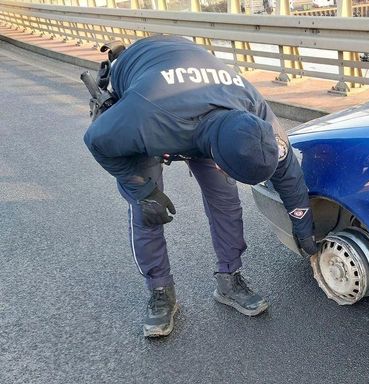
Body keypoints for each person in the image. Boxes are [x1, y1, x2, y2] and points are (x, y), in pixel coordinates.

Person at [84, 35, 317, 338]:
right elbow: (96, 141)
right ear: (219, 160)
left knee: (227, 202)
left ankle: (230, 280)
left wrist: (305, 231)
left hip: (204, 110)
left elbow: (289, 175)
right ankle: (160, 291)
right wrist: (143, 192)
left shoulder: (256, 113)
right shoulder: (146, 118)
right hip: (151, 89)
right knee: (148, 211)